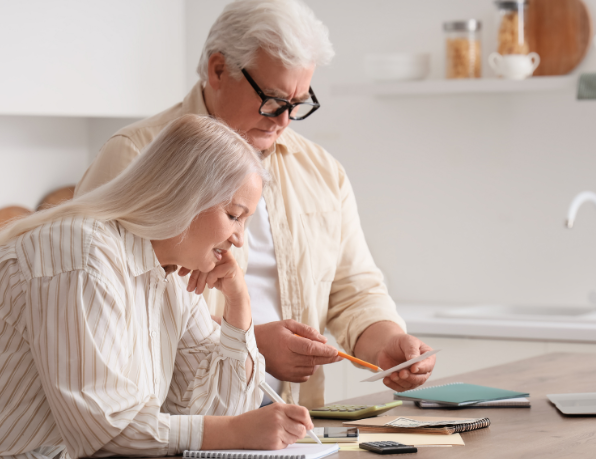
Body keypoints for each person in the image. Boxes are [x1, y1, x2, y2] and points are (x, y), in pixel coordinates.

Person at [75, 0, 436, 408]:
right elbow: (100, 302)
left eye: (297, 104)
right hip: (174, 423)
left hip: (293, 420)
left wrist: (388, 342)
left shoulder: (322, 172)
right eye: (273, 99)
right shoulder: (134, 155)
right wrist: (247, 341)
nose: (283, 120)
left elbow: (355, 291)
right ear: (218, 70)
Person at [0, 115, 314, 459]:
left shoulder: (173, 276)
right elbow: (104, 429)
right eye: (234, 216)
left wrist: (238, 303)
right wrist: (233, 431)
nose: (239, 239)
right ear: (185, 195)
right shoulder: (82, 253)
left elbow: (216, 410)